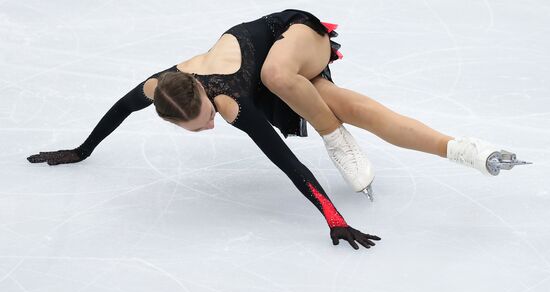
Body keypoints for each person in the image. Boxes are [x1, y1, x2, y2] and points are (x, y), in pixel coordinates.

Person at [27, 9, 530, 250]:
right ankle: (467, 150)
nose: (206, 129)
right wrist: (81, 150)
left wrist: (332, 217)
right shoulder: (159, 86)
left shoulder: (232, 104)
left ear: (206, 99)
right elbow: (120, 110)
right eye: (195, 129)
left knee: (275, 74)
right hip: (276, 82)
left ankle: (334, 137)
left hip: (290, 39)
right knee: (356, 108)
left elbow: (289, 165)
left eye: (203, 121)